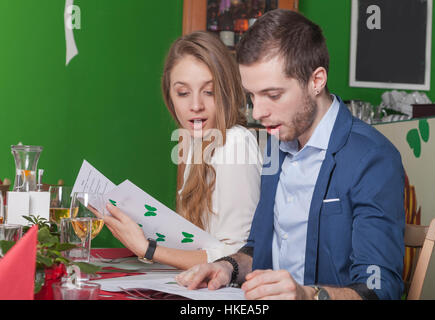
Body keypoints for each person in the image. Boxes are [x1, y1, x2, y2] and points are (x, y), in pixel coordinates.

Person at [175, 9, 405, 300]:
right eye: (252, 96)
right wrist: (227, 266)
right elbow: (258, 247)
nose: (258, 112)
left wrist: (308, 295)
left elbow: (381, 289)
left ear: (316, 80)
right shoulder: (277, 145)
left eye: (273, 95)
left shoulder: (373, 158)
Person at [99, 31, 262, 270]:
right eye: (183, 93)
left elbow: (237, 256)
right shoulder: (197, 143)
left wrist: (148, 248)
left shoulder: (235, 142)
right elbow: (199, 248)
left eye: (209, 91)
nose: (195, 105)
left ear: (226, 92)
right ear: (170, 97)